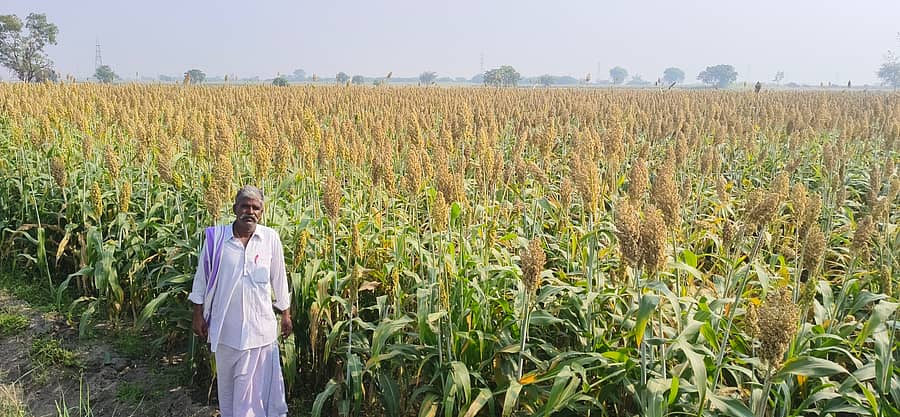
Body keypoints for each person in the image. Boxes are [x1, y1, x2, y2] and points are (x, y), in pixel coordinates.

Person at [189, 185, 292, 417]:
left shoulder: (270, 239)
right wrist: (198, 314)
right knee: (229, 390)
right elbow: (201, 279)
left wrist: (285, 313)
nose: (250, 211)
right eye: (245, 206)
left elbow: (279, 278)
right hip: (226, 331)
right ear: (235, 208)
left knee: (258, 393)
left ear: (262, 212)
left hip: (260, 332)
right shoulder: (217, 240)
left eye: (256, 208)